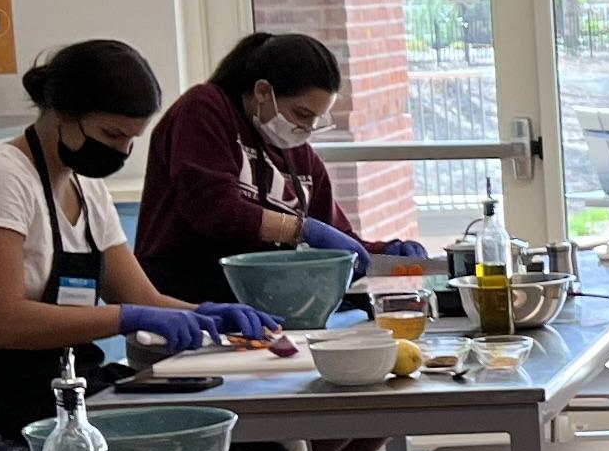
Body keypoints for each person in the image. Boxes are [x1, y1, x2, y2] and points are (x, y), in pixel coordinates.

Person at [0, 39, 283, 451]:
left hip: (63, 392)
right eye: (112, 135)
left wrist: (206, 315)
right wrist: (126, 319)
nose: (123, 152)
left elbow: (140, 297)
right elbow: (0, 322)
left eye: (133, 139)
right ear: (63, 113)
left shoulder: (86, 189)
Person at [133, 28, 427, 303]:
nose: (306, 129)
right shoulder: (205, 109)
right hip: (185, 302)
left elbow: (332, 235)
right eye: (301, 114)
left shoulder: (300, 156)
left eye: (316, 120)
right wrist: (299, 229)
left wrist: (382, 252)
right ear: (263, 91)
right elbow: (212, 208)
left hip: (257, 306)